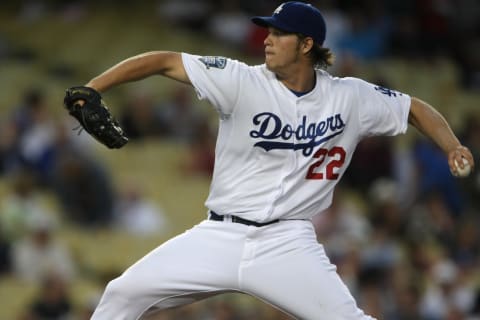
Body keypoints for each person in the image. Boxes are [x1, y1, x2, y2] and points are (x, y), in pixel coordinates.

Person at [69, 2, 474, 319]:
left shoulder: (350, 97)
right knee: (120, 295)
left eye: (279, 33)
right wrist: (92, 87)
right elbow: (163, 61)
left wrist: (452, 145)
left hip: (286, 243)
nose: (266, 38)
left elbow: (414, 108)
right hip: (218, 236)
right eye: (268, 30)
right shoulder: (241, 79)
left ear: (306, 44)